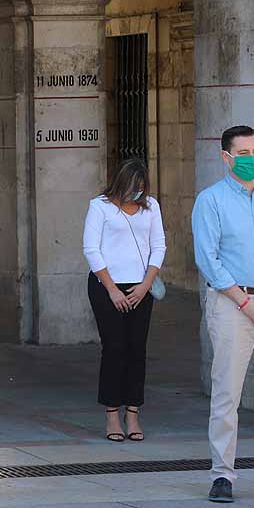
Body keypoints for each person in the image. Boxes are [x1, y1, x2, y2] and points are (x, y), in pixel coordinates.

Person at [192, 124, 254, 503]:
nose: (252, 159)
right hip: (233, 304)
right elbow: (208, 259)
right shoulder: (211, 200)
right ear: (226, 157)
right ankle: (223, 475)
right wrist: (246, 303)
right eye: (243, 154)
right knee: (227, 393)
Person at [82, 158, 166, 443]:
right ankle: (112, 414)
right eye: (133, 186)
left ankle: (133, 412)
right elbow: (91, 249)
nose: (138, 192)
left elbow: (159, 245)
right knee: (115, 348)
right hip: (107, 286)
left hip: (141, 286)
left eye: (142, 187)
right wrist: (112, 290)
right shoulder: (100, 206)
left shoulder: (151, 207)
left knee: (136, 349)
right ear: (121, 183)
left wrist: (146, 284)